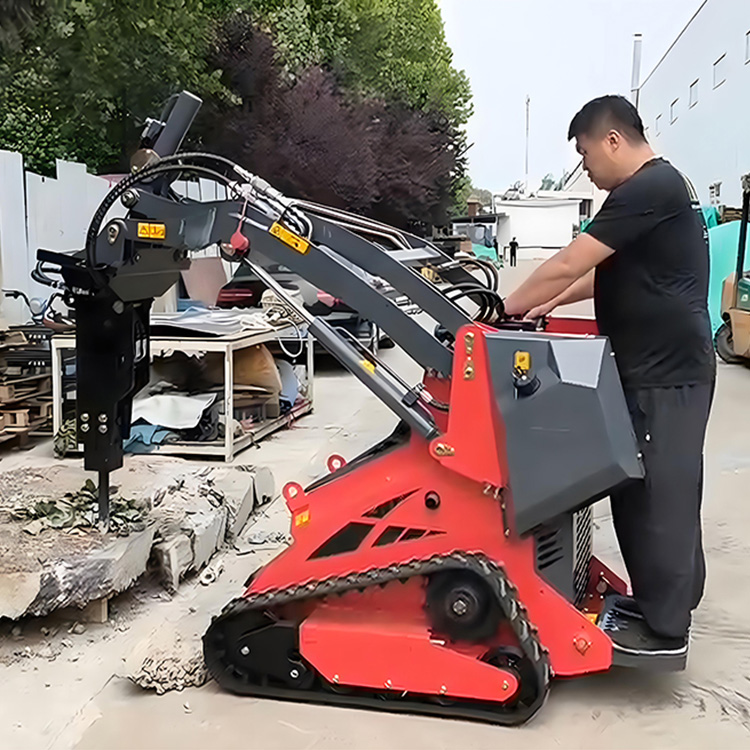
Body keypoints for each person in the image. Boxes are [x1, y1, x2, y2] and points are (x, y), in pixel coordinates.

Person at [504, 95, 715, 659]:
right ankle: (669, 599)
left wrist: (503, 309)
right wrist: (530, 308)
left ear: (614, 140)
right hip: (653, 369)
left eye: (586, 153)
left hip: (667, 374)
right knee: (646, 488)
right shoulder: (655, 194)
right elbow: (595, 280)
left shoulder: (649, 188)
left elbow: (572, 260)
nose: (588, 169)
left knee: (659, 497)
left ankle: (666, 626)